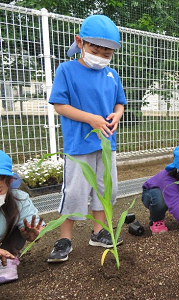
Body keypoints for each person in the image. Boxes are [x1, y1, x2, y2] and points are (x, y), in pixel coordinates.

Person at [47, 15, 127, 263]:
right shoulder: (67, 70)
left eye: (107, 53)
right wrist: (91, 119)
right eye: (96, 50)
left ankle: (98, 232)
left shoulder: (112, 74)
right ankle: (65, 239)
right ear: (79, 42)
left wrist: (117, 114)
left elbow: (120, 103)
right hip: (78, 144)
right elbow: (60, 105)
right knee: (75, 192)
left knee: (106, 189)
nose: (102, 56)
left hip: (106, 144)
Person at [0, 150, 45, 284]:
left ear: (9, 183)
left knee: (23, 227)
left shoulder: (19, 200)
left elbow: (36, 228)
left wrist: (34, 234)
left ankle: (7, 261)